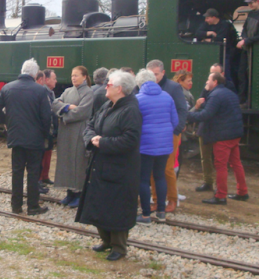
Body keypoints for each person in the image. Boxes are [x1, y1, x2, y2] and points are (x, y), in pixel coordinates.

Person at [77, 71, 142, 261]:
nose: (106, 86)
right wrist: (92, 139)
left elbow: (130, 140)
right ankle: (105, 240)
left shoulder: (130, 110)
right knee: (100, 204)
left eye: (109, 84)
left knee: (117, 208)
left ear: (119, 89)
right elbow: (90, 124)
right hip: (101, 165)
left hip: (120, 169)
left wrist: (102, 142)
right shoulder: (107, 105)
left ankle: (119, 247)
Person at [0, 59, 51, 216]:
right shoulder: (40, 90)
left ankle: (16, 206)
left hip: (15, 136)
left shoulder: (8, 88)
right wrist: (46, 134)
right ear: (35, 74)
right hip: (34, 138)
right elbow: (46, 117)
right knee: (33, 172)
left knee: (17, 171)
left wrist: (6, 122)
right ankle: (32, 206)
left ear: (22, 70)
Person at [187, 72, 248, 205]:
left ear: (215, 82)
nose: (206, 83)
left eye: (208, 80)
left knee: (220, 166)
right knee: (236, 163)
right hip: (234, 134)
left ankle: (220, 196)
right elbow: (219, 110)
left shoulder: (215, 95)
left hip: (223, 136)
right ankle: (242, 192)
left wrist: (188, 115)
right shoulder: (229, 93)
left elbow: (206, 115)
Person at [134, 69, 178, 224]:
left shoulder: (137, 99)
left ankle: (145, 214)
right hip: (164, 144)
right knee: (160, 176)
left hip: (145, 145)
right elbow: (175, 121)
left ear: (139, 83)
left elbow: (134, 124)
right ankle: (161, 212)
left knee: (143, 179)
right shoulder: (167, 97)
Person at [146, 60, 187, 212]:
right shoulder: (145, 87)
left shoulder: (173, 87)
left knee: (167, 169)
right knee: (152, 169)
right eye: (150, 74)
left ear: (163, 73)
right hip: (151, 135)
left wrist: (175, 131)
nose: (153, 77)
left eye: (156, 74)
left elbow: (182, 110)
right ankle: (157, 200)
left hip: (169, 134)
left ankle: (172, 200)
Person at [52, 66, 94, 208]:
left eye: (76, 75)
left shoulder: (89, 92)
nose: (73, 78)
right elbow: (55, 103)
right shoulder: (68, 91)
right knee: (67, 160)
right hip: (66, 132)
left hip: (79, 131)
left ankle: (79, 193)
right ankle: (70, 191)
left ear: (84, 77)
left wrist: (64, 115)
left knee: (78, 161)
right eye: (72, 75)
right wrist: (69, 107)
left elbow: (83, 112)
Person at [193, 63, 236, 192]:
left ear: (220, 75)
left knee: (220, 160)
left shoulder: (228, 88)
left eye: (214, 73)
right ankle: (208, 182)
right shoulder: (207, 87)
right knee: (205, 157)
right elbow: (201, 102)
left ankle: (220, 187)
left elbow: (211, 108)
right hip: (206, 126)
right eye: (210, 73)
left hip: (218, 128)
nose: (209, 77)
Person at [237, 0, 259, 106]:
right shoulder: (250, 14)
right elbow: (244, 29)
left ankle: (249, 100)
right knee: (241, 74)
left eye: (251, 3)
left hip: (256, 50)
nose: (250, 5)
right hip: (246, 49)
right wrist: (245, 38)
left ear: (258, 2)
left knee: (251, 75)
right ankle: (241, 99)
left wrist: (246, 40)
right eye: (249, 3)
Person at [40, 69, 58, 186]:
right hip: (45, 128)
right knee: (43, 152)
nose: (56, 81)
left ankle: (45, 175)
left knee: (48, 150)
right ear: (46, 80)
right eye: (54, 78)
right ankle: (41, 177)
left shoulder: (51, 92)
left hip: (51, 127)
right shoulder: (43, 92)